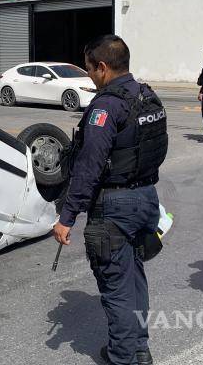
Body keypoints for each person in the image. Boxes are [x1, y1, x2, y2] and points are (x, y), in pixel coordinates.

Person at [53, 35, 168, 365]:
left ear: (102, 67)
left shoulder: (105, 106)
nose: (89, 75)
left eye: (89, 69)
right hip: (147, 198)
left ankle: (122, 357)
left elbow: (89, 166)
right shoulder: (147, 95)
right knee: (135, 278)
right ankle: (139, 348)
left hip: (115, 206)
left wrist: (67, 217)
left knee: (117, 287)